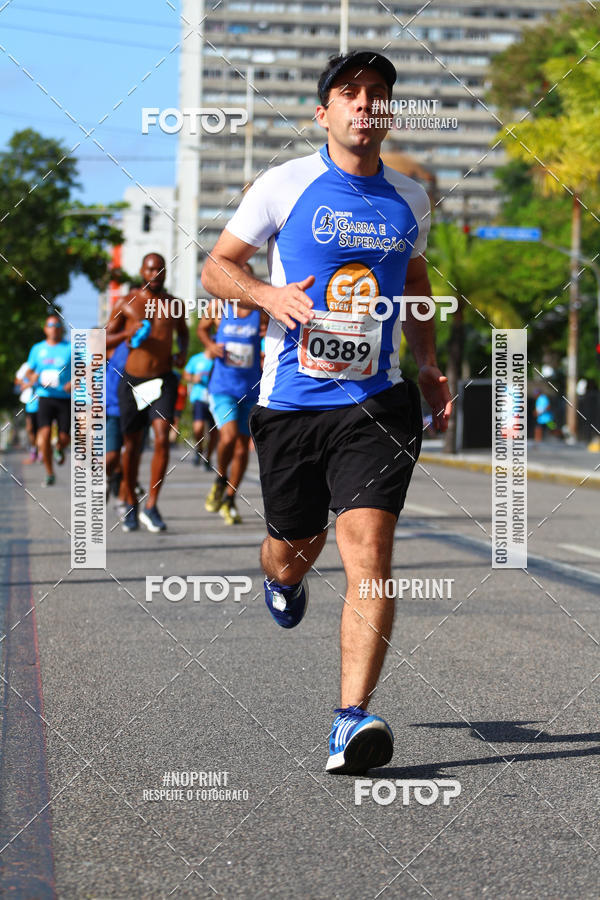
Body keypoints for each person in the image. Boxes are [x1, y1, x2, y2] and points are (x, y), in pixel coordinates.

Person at [201, 51, 451, 774]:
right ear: (324, 113)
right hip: (290, 405)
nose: (366, 103)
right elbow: (218, 266)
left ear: (389, 112)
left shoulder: (410, 197)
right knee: (293, 546)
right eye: (350, 93)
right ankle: (282, 578)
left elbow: (414, 277)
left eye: (378, 93)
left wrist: (426, 362)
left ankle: (350, 719)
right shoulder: (283, 184)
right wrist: (268, 295)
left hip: (377, 402)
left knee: (369, 550)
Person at [106, 252, 188, 532]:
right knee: (132, 446)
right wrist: (125, 335)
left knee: (162, 438)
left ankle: (152, 505)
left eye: (160, 270)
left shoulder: (174, 304)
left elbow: (183, 332)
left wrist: (182, 353)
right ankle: (130, 501)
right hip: (132, 382)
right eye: (150, 269)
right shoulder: (125, 302)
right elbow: (103, 337)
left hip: (163, 380)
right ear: (142, 271)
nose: (155, 274)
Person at [198, 284, 264, 525]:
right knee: (228, 437)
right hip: (223, 387)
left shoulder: (260, 310)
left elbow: (274, 333)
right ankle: (221, 478)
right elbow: (202, 328)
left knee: (242, 449)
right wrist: (210, 344)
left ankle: (229, 497)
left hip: (250, 390)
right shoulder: (219, 306)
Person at [24, 314, 72, 486]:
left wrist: (73, 382)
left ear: (61, 329)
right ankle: (50, 473)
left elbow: (84, 368)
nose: (53, 328)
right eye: (50, 325)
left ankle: (59, 447)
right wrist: (33, 377)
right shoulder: (37, 349)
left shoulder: (70, 348)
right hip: (44, 397)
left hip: (64, 398)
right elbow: (28, 371)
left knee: (64, 437)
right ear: (45, 329)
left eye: (57, 325)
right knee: (44, 436)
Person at [184, 348, 217, 468]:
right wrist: (193, 378)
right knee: (198, 427)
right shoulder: (196, 359)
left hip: (216, 398)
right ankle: (200, 449)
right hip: (200, 398)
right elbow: (186, 374)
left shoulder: (219, 360)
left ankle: (208, 458)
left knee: (214, 431)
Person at [15, 361, 40, 462]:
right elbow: (17, 380)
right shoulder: (26, 366)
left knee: (42, 428)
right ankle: (34, 451)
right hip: (30, 402)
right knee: (30, 428)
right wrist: (25, 384)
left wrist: (30, 383)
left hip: (44, 400)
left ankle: (42, 451)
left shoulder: (44, 363)